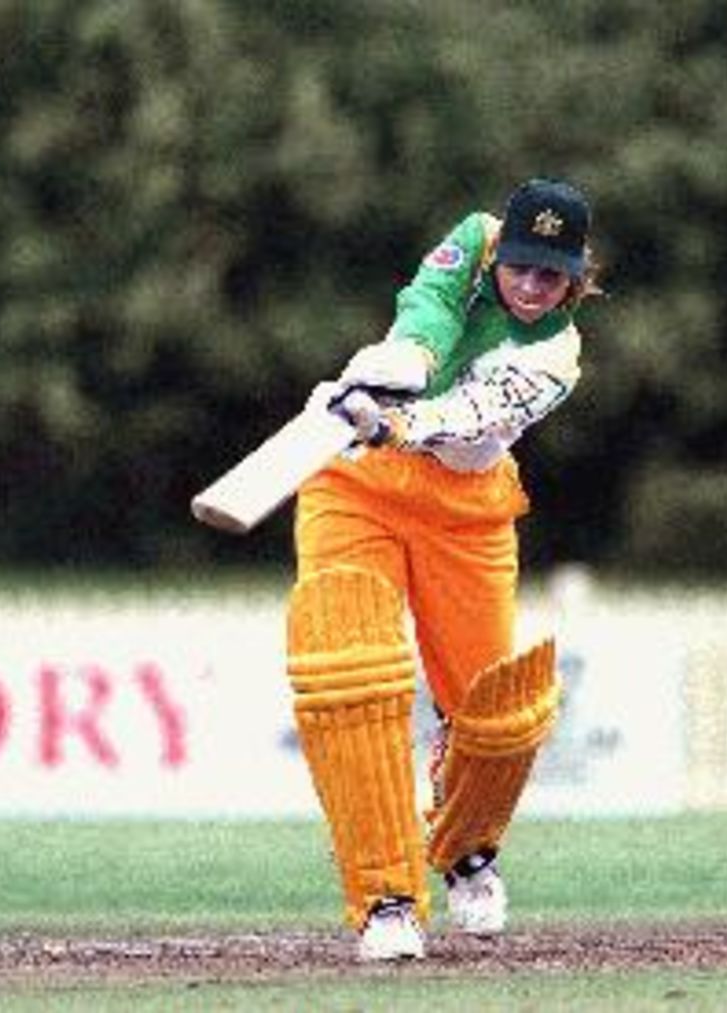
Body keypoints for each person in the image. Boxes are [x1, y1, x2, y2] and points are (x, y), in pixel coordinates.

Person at [283, 178, 600, 961]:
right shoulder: (475, 237)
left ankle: (467, 849)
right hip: (355, 482)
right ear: (504, 251)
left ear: (577, 277)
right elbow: (426, 304)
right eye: (520, 267)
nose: (529, 286)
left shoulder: (556, 358)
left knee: (494, 711)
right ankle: (386, 899)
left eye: (549, 276)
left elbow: (474, 416)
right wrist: (402, 362)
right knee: (349, 674)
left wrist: (398, 420)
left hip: (466, 503)